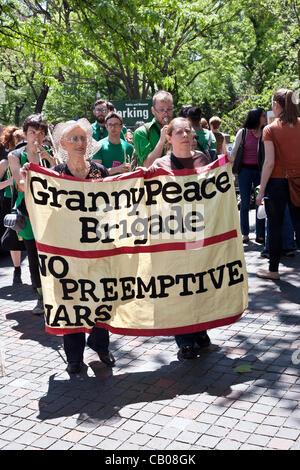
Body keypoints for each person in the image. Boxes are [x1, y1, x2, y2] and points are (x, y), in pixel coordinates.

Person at [21, 118, 115, 374]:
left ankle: (100, 344)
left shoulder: (100, 172)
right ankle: (74, 356)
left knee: (100, 298)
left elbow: (111, 210)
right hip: (67, 253)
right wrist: (29, 181)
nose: (80, 143)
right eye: (73, 139)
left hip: (97, 249)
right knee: (70, 301)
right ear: (62, 143)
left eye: (83, 138)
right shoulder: (55, 176)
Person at [149, 117, 211, 360]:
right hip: (171, 234)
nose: (185, 135)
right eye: (179, 132)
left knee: (198, 282)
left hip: (197, 232)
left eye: (188, 131)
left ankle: (201, 329)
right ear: (169, 138)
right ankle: (185, 340)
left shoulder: (202, 159)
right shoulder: (161, 164)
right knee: (178, 286)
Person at [8, 114, 56, 313]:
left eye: (40, 132)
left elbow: (61, 177)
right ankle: (40, 297)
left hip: (51, 212)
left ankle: (55, 293)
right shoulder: (16, 155)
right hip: (28, 212)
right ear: (25, 133)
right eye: (32, 132)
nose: (36, 136)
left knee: (52, 253)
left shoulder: (49, 154)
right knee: (34, 255)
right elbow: (20, 183)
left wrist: (51, 160)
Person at [256, 88, 300, 280]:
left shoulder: (270, 129)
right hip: (298, 182)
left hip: (276, 184)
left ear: (278, 104)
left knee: (274, 227)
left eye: (273, 102)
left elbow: (269, 163)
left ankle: (273, 270)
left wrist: (260, 191)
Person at [230, 108, 266, 244]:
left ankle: (260, 234)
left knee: (260, 202)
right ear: (256, 117)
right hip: (244, 171)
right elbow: (233, 152)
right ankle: (244, 233)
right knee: (245, 203)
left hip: (260, 171)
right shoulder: (243, 132)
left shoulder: (265, 131)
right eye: (263, 115)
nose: (265, 118)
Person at [0, 126, 23, 284]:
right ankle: (17, 270)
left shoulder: (29, 157)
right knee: (14, 236)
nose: (21, 144)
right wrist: (11, 181)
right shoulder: (5, 162)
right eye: (18, 141)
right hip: (10, 201)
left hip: (29, 199)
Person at [133, 90, 174, 168]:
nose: (166, 114)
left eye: (169, 109)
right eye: (161, 110)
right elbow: (148, 165)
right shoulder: (141, 132)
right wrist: (162, 141)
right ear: (153, 110)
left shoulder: (178, 130)